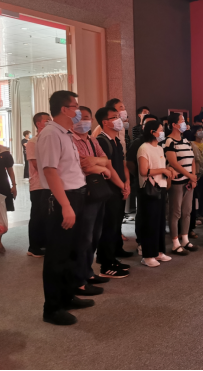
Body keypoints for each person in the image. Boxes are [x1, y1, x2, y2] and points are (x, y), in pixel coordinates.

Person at [36, 90, 91, 326]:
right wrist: (66, 206)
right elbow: (50, 171)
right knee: (57, 255)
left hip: (76, 196)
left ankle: (67, 296)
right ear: (64, 109)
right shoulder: (50, 134)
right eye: (75, 106)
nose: (78, 111)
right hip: (62, 199)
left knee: (72, 251)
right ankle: (52, 308)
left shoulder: (66, 133)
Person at [72, 106, 113, 296]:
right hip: (82, 192)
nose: (84, 121)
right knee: (84, 237)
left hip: (97, 191)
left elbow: (105, 159)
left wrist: (98, 163)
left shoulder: (92, 139)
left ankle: (88, 272)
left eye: (87, 117)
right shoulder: (71, 140)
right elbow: (83, 165)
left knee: (95, 234)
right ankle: (79, 280)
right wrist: (101, 167)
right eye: (80, 117)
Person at [95, 106, 131, 279]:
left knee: (116, 224)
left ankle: (113, 256)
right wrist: (122, 186)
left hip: (119, 188)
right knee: (108, 227)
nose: (119, 120)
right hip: (109, 190)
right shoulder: (101, 141)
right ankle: (106, 264)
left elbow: (122, 164)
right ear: (105, 122)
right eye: (114, 117)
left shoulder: (116, 140)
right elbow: (108, 168)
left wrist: (127, 183)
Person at [137, 121, 174, 267]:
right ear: (152, 132)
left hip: (161, 187)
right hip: (149, 190)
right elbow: (143, 171)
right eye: (160, 130)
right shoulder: (144, 148)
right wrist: (163, 170)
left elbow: (159, 167)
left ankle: (158, 251)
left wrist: (168, 170)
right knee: (150, 223)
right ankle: (147, 255)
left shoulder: (159, 148)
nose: (162, 132)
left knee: (159, 222)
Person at [164, 112, 198, 256]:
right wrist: (189, 175)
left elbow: (192, 160)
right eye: (182, 121)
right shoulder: (169, 141)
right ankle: (175, 243)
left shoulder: (185, 141)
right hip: (177, 182)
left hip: (189, 182)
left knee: (187, 211)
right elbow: (173, 163)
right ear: (174, 125)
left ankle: (185, 239)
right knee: (175, 212)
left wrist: (193, 177)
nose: (185, 123)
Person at [126, 114, 158, 251]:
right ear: (143, 127)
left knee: (154, 213)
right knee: (143, 213)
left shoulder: (158, 142)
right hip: (142, 183)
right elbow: (129, 163)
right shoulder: (138, 142)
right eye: (148, 125)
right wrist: (139, 175)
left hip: (157, 182)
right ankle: (141, 242)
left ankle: (154, 242)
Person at [26, 112, 51, 258]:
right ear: (38, 124)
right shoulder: (33, 142)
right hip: (38, 184)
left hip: (50, 183)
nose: (50, 122)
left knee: (47, 215)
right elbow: (36, 164)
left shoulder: (50, 140)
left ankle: (44, 244)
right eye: (47, 120)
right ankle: (33, 247)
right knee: (37, 215)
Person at [0, 123, 16, 255]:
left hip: (1, 186)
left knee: (1, 215)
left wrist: (14, 185)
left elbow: (10, 169)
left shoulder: (3, 151)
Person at [189, 125, 203, 238]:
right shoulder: (191, 144)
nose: (201, 132)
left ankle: (202, 213)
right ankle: (195, 216)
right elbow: (194, 160)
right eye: (199, 130)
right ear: (194, 133)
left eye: (202, 130)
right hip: (196, 174)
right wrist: (195, 174)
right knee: (196, 196)